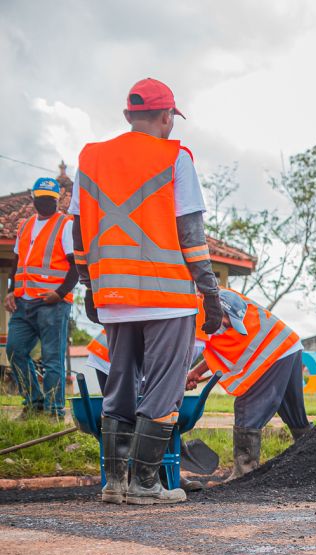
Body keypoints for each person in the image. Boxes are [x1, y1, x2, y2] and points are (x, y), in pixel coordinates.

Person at [71, 78, 224, 505]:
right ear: (167, 117)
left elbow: (78, 230)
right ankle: (145, 484)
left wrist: (89, 285)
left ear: (127, 115)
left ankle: (115, 484)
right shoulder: (176, 157)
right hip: (168, 298)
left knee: (119, 386)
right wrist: (210, 295)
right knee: (161, 388)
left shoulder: (90, 158)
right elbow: (191, 235)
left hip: (114, 297)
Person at [186, 289, 310, 479]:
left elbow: (197, 348)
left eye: (228, 324)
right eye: (225, 323)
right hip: (288, 344)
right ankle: (313, 459)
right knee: (294, 414)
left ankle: (244, 473)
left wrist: (178, 377)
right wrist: (195, 372)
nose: (226, 327)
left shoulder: (213, 308)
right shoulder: (207, 306)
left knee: (248, 406)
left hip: (275, 351)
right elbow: (213, 345)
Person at [7, 177, 76, 417]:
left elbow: (77, 266)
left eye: (51, 199)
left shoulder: (65, 225)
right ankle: (34, 403)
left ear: (57, 200)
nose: (47, 203)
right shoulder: (25, 225)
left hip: (52, 304)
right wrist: (10, 290)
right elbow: (17, 261)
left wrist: (60, 293)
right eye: (42, 198)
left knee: (52, 359)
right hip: (23, 301)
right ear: (33, 198)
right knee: (15, 351)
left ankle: (54, 411)